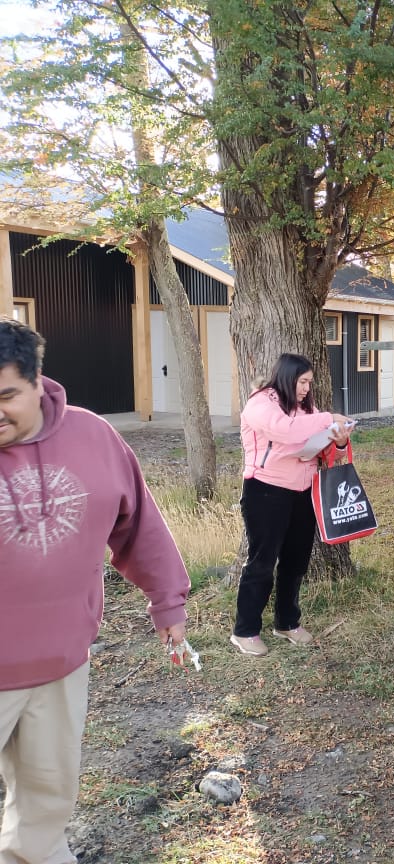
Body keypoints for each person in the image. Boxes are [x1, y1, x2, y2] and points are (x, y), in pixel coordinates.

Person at [0, 318, 190, 863]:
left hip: (61, 666)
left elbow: (140, 525)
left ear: (38, 382)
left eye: (7, 394)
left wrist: (168, 600)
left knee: (44, 808)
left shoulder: (93, 437)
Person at [232, 353, 351, 656]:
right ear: (287, 377)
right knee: (262, 561)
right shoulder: (261, 403)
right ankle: (245, 631)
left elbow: (325, 454)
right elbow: (283, 430)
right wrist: (327, 419)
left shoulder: (307, 409)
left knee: (296, 561)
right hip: (266, 491)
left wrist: (338, 441)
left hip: (302, 492)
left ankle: (287, 621)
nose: (306, 389)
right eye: (302, 382)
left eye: (309, 383)